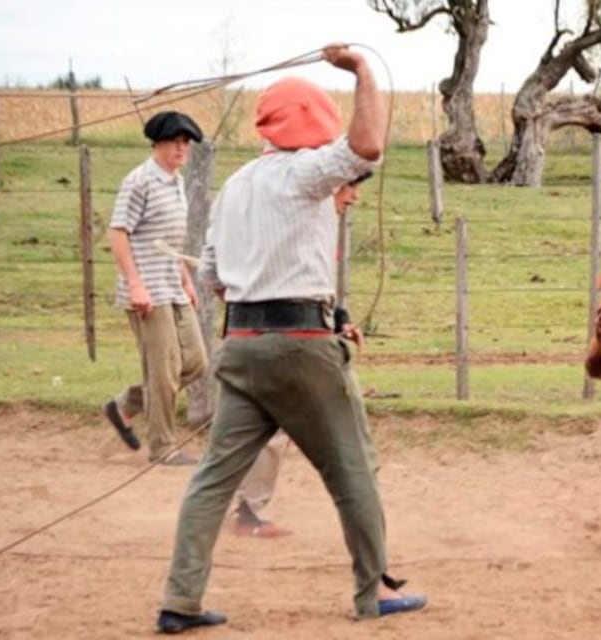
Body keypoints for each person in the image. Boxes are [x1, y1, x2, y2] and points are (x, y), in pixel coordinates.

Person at [155, 44, 426, 634]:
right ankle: (373, 589)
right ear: (312, 124)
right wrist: (361, 70)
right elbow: (369, 145)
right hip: (302, 347)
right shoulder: (306, 172)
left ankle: (180, 599)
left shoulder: (234, 188)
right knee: (353, 467)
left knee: (212, 480)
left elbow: (214, 276)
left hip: (242, 347)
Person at [230, 171, 373, 539]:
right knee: (286, 427)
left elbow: (316, 289)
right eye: (349, 187)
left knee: (264, 428)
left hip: (290, 338)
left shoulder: (316, 228)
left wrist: (337, 320)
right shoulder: (298, 225)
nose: (353, 197)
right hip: (282, 340)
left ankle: (241, 509)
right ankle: (248, 511)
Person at [103, 111, 207, 466]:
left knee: (195, 361)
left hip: (172, 284)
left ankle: (126, 405)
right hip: (147, 290)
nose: (181, 149)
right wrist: (135, 284)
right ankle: (163, 446)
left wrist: (184, 278)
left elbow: (168, 239)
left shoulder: (176, 181)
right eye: (174, 142)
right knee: (163, 369)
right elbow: (118, 233)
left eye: (185, 143)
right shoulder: (139, 181)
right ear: (157, 144)